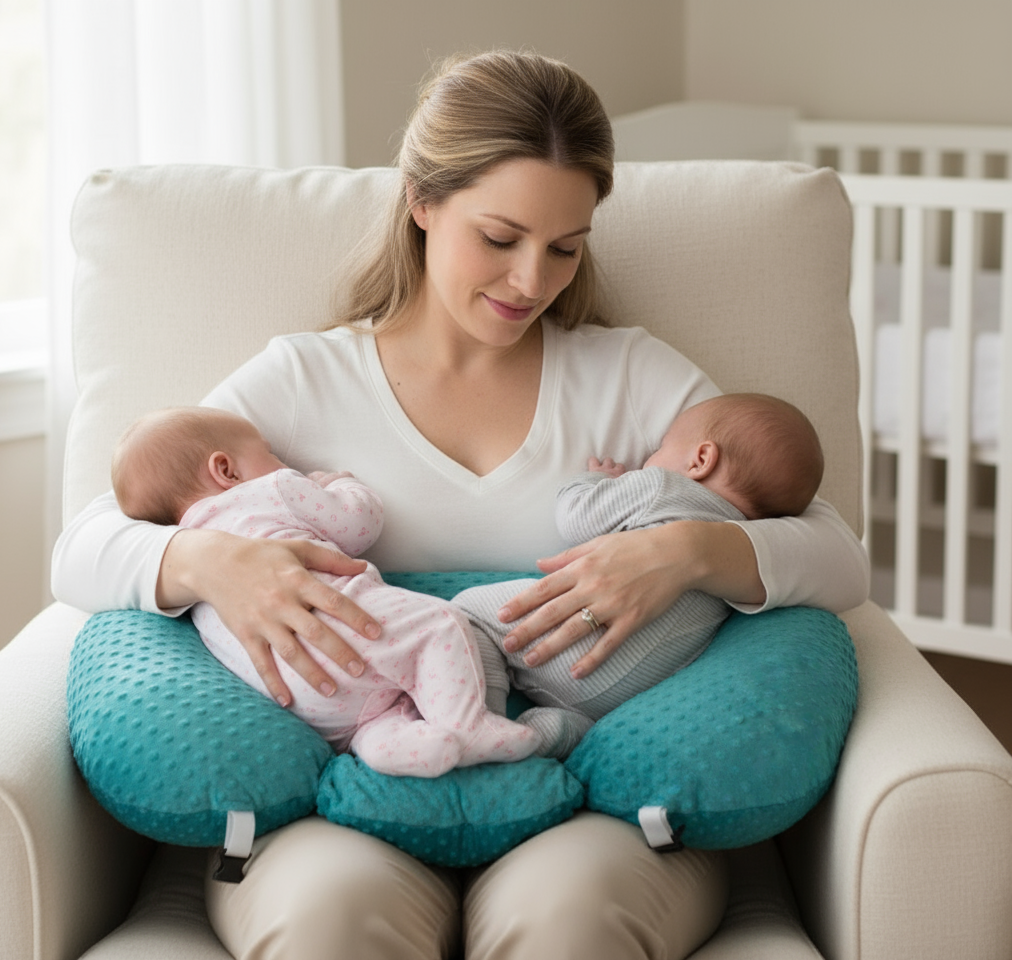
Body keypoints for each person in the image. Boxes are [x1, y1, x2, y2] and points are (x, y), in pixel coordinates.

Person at [53, 49, 868, 960]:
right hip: (351, 785)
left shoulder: (628, 374)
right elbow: (84, 546)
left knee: (573, 922)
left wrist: (686, 554)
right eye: (500, 236)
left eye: (566, 247)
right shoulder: (306, 379)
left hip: (580, 791)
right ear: (422, 202)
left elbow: (836, 554)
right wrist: (211, 562)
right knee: (333, 922)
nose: (531, 280)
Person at [110, 405, 539, 776]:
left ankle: (402, 749)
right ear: (226, 470)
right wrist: (338, 485)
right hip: (348, 629)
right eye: (270, 453)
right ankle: (468, 726)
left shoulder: (188, 570)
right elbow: (357, 525)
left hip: (301, 696)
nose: (280, 462)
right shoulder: (271, 489)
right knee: (440, 625)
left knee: (374, 719)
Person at [458, 392, 826, 759]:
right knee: (575, 722)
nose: (649, 459)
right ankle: (554, 732)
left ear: (700, 459)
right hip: (631, 694)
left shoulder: (663, 487)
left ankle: (479, 723)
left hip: (563, 647)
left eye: (661, 446)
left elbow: (576, 518)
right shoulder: (745, 550)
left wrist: (594, 480)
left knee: (467, 612)